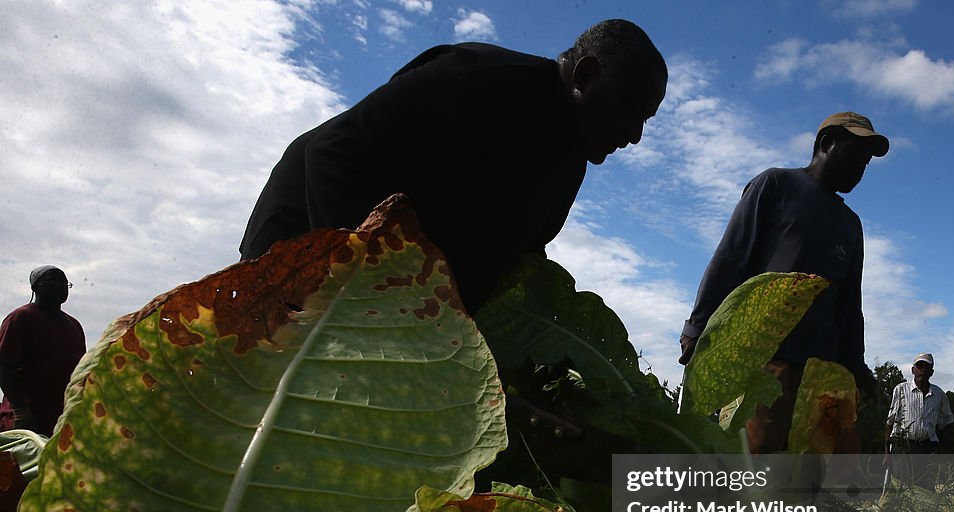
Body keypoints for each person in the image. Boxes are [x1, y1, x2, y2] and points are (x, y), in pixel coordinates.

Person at [238, 19, 667, 314]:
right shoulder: (478, 81)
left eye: (645, 119)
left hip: (392, 284)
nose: (634, 135)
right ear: (586, 76)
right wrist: (367, 298)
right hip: (300, 226)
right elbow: (334, 154)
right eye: (629, 108)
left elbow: (510, 262)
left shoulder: (568, 164)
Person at [677, 111, 889, 454]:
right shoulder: (775, 186)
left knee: (810, 477)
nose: (860, 169)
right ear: (825, 144)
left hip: (823, 372)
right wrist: (698, 325)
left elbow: (850, 304)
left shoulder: (850, 224)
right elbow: (732, 256)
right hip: (768, 360)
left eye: (865, 163)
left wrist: (857, 366)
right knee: (758, 466)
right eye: (854, 156)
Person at [0, 266, 87, 435]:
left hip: (62, 418)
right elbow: (4, 365)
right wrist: (20, 410)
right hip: (27, 418)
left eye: (65, 283)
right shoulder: (21, 317)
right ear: (35, 287)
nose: (61, 286)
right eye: (53, 281)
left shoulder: (74, 325)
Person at [885, 352, 954, 456]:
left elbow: (948, 422)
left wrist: (943, 449)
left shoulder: (939, 394)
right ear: (913, 370)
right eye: (919, 366)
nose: (923, 370)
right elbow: (890, 422)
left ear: (932, 372)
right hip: (903, 448)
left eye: (927, 367)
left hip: (928, 448)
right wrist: (887, 454)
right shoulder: (901, 390)